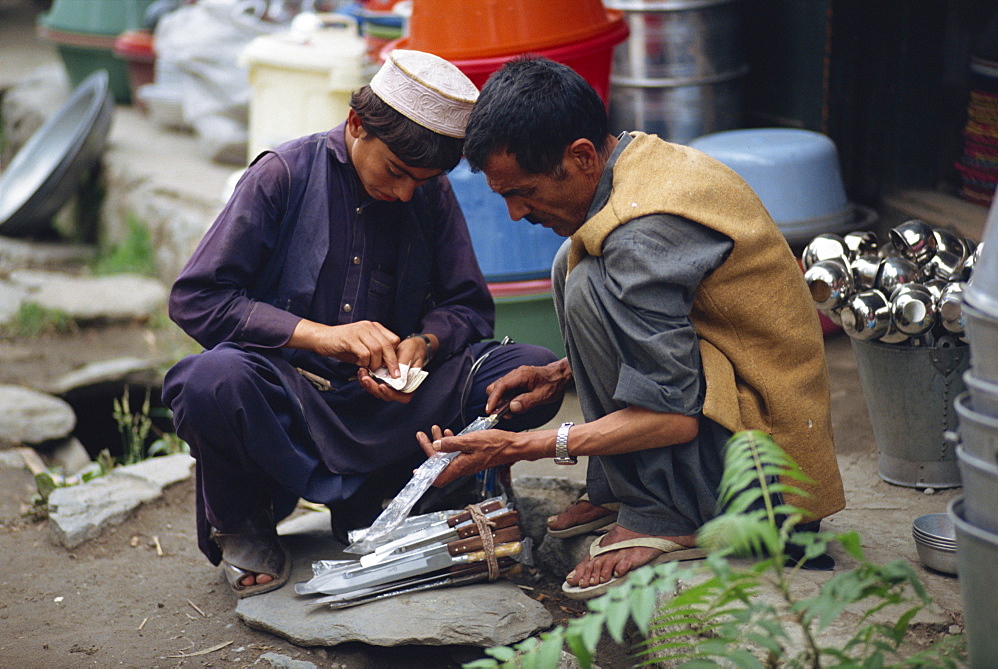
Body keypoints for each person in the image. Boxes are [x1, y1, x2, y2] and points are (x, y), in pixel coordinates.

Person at [416, 56, 846, 600]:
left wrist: (522, 447)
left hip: (764, 476)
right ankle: (628, 489)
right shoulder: (635, 159)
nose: (515, 214)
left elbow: (671, 419)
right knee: (572, 264)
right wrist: (562, 372)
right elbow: (680, 327)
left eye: (521, 191)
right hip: (735, 402)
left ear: (580, 156)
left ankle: (668, 512)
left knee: (590, 277)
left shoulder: (641, 234)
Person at [162, 50, 561, 598]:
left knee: (532, 371)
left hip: (395, 410)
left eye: (418, 182)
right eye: (396, 172)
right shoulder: (282, 174)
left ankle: (410, 495)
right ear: (356, 125)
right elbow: (196, 299)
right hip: (293, 398)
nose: (403, 193)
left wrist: (423, 343)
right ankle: (244, 522)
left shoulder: (427, 190)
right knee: (210, 380)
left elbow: (468, 306)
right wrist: (318, 335)